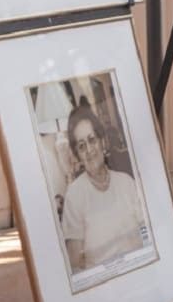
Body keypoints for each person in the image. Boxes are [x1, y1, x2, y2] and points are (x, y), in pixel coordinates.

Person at [62, 102, 148, 271]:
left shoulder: (127, 183)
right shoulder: (75, 196)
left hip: (140, 270)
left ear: (102, 141)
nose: (89, 150)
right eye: (81, 146)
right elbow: (75, 264)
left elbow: (146, 233)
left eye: (92, 140)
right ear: (78, 155)